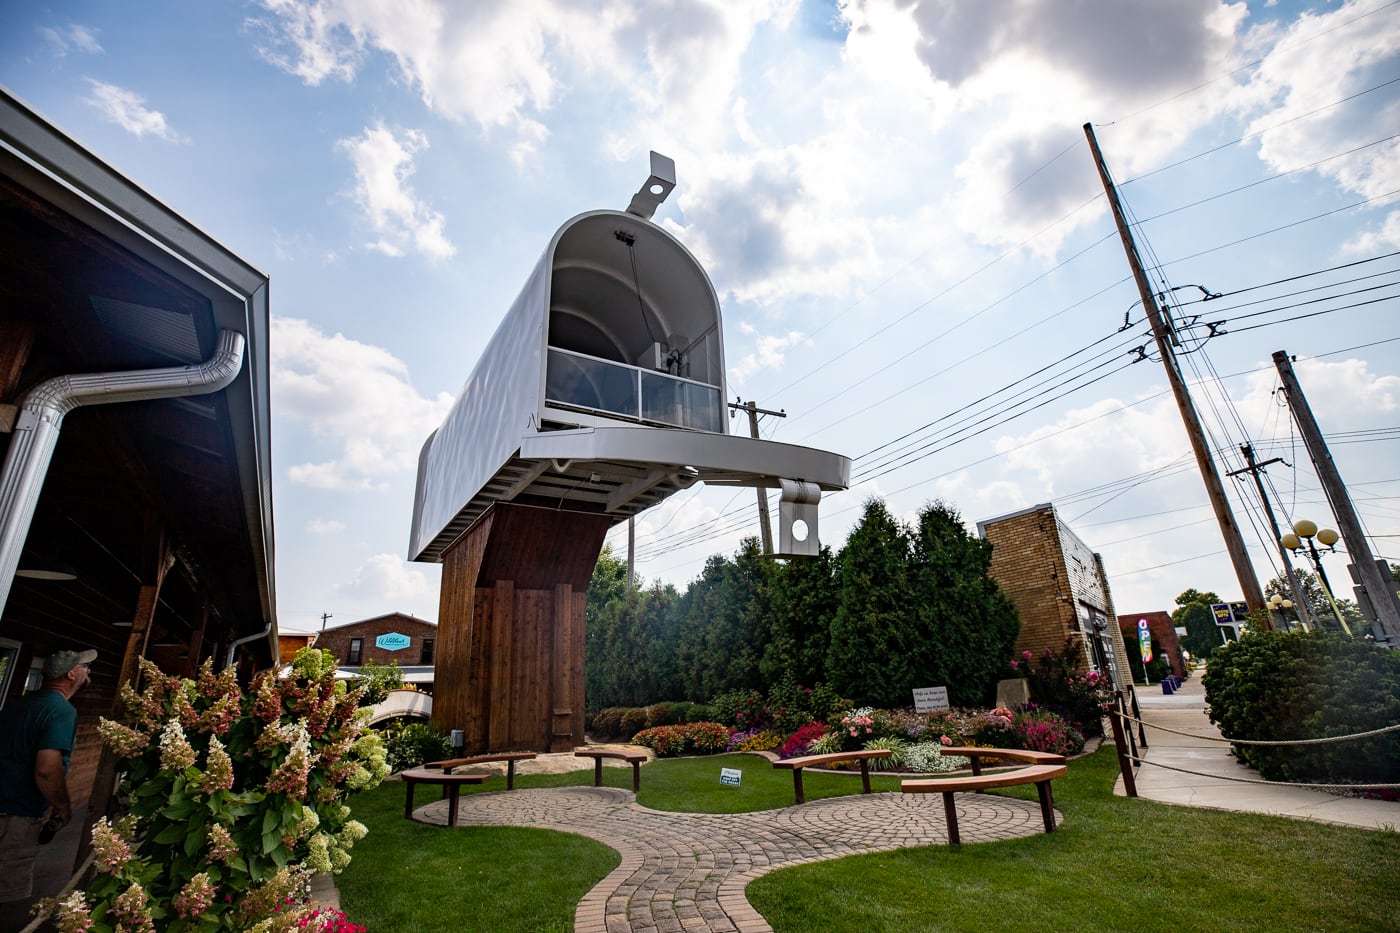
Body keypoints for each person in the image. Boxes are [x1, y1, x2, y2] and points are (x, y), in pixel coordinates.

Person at [0, 648, 95, 905]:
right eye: (85, 667)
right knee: (5, 888)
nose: (88, 671)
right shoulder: (62, 711)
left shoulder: (18, 704)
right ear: (71, 674)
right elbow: (46, 768)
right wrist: (62, 805)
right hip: (15, 815)